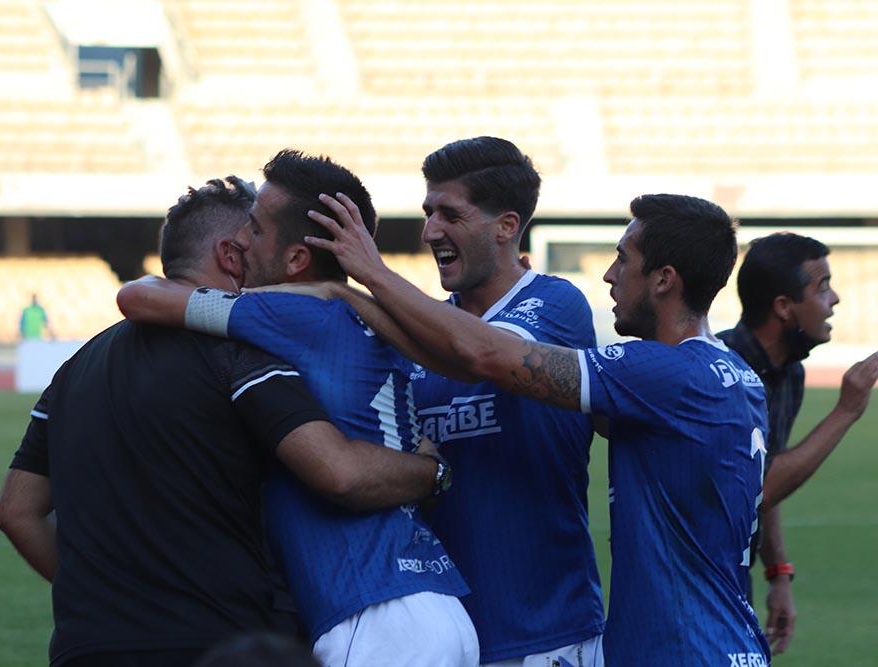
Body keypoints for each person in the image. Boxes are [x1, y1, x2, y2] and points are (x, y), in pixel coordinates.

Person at [299, 191, 771, 666]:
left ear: (664, 280)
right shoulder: (734, 376)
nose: (609, 275)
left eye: (623, 260)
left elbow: (495, 358)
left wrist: (365, 279)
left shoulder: (665, 373)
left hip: (682, 651)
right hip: (727, 638)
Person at [0, 177, 447, 667]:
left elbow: (17, 512)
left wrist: (103, 598)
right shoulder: (241, 354)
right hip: (215, 644)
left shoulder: (74, 367)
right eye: (251, 234)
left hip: (85, 646)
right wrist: (434, 472)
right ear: (231, 256)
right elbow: (337, 470)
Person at [117, 151, 478, 667]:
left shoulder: (286, 312)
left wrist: (326, 291)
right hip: (436, 601)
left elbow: (139, 297)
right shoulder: (377, 320)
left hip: (372, 617)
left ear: (296, 261)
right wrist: (343, 290)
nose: (242, 240)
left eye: (257, 229)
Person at [404, 137, 604, 665]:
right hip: (444, 637)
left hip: (547, 635)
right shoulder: (420, 335)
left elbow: (484, 352)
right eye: (428, 213)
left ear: (506, 226)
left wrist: (365, 276)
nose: (430, 231)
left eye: (450, 213)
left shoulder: (557, 304)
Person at [718, 232, 878, 655]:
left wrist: (779, 574)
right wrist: (846, 410)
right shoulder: (724, 372)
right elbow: (755, 491)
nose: (836, 299)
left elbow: (771, 475)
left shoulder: (788, 372)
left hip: (732, 576)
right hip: (691, 584)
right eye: (822, 286)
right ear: (784, 308)